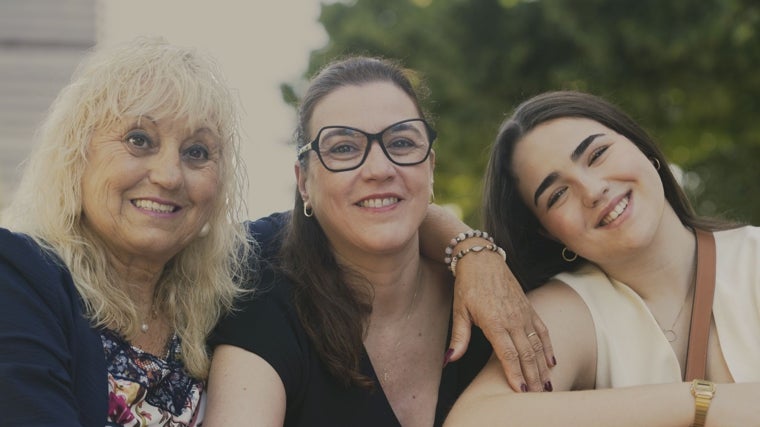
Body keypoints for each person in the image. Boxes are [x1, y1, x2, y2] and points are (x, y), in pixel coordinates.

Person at [204, 56, 554, 427]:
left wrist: (474, 252)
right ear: (304, 182)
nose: (379, 169)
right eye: (343, 148)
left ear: (430, 167)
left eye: (401, 142)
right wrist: (470, 249)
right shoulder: (258, 271)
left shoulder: (495, 302)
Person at [445, 91, 760, 426]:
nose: (593, 190)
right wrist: (701, 402)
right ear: (549, 233)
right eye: (558, 194)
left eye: (597, 154)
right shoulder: (570, 309)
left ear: (641, 148)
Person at [0, 37, 252, 426]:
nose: (169, 176)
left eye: (197, 152)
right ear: (77, 155)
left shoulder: (227, 306)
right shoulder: (18, 279)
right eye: (139, 140)